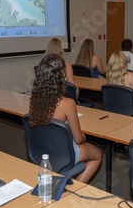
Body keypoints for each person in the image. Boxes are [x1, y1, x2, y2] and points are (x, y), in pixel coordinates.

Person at [28, 54, 102, 183]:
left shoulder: (34, 101)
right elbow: (78, 139)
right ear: (62, 75)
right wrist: (85, 137)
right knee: (98, 154)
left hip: (42, 150)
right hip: (65, 153)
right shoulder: (67, 103)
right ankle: (77, 186)